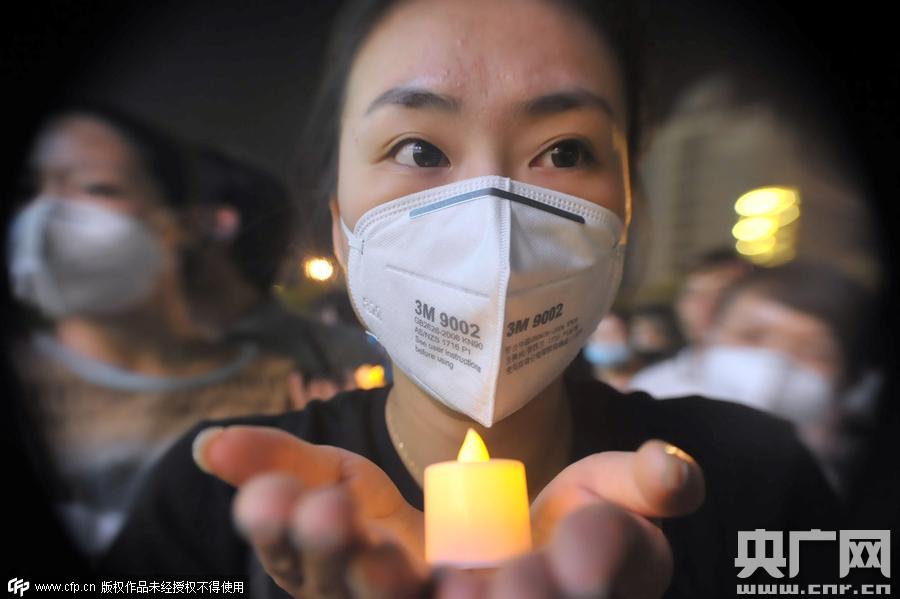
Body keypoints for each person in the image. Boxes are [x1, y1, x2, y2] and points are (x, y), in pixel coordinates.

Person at [103, 1, 839, 596]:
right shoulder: (209, 502)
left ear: (627, 213)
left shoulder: (754, 478)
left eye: (565, 151)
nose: (493, 216)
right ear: (340, 226)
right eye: (419, 150)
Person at [6, 106, 296, 557]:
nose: (46, 216)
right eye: (30, 190)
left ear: (180, 224)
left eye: (95, 187)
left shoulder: (283, 387)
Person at [695, 262, 880, 495]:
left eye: (814, 353)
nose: (772, 371)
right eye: (750, 336)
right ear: (709, 334)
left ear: (853, 379)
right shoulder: (650, 429)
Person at [629, 250, 752, 397]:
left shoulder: (775, 382)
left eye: (722, 293)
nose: (703, 306)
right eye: (692, 293)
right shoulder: (650, 386)